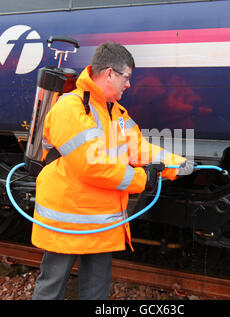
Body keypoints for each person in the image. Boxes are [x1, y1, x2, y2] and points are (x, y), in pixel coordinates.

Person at [31, 42, 192, 300]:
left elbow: (138, 148)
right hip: (67, 219)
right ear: (109, 73)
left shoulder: (117, 113)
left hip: (100, 220)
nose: (128, 85)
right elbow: (93, 166)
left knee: (96, 291)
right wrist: (143, 179)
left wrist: (177, 164)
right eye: (126, 77)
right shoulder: (70, 108)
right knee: (52, 287)